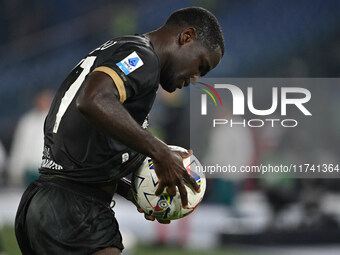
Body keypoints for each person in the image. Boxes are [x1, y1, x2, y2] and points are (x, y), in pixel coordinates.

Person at [15, 6, 225, 255]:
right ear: (186, 37)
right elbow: (92, 100)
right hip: (74, 210)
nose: (195, 78)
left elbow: (86, 142)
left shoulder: (123, 50)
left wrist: (136, 191)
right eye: (200, 65)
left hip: (47, 201)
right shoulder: (143, 57)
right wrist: (161, 152)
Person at [7, 89, 53, 186]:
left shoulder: (55, 120)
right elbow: (20, 145)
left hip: (50, 170)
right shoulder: (27, 121)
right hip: (31, 170)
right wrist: (15, 169)